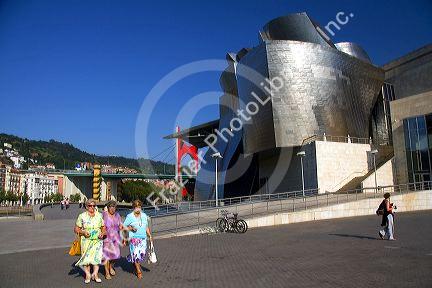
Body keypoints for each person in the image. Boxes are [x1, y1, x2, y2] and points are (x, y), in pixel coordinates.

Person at [74, 198, 106, 284]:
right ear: (86, 206)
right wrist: (83, 232)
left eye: (93, 205)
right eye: (90, 205)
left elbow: (103, 227)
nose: (92, 207)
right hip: (86, 240)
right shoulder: (82, 216)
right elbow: (76, 229)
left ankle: (95, 275)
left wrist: (102, 233)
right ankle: (88, 275)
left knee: (96, 258)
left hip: (97, 240)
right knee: (86, 259)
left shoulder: (99, 215)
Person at [123, 200, 153, 279]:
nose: (138, 209)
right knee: (136, 255)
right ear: (133, 208)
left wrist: (149, 235)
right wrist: (131, 228)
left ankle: (132, 259)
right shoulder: (130, 216)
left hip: (143, 238)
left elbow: (146, 226)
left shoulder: (144, 215)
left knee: (141, 254)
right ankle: (138, 271)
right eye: (136, 207)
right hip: (134, 238)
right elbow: (123, 227)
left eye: (139, 207)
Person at [102, 201, 123, 280]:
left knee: (115, 256)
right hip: (107, 239)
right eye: (110, 207)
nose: (112, 208)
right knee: (107, 256)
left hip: (115, 239)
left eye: (114, 207)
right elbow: (102, 225)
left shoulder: (117, 215)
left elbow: (120, 225)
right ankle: (107, 272)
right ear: (108, 208)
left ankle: (111, 267)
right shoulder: (105, 215)